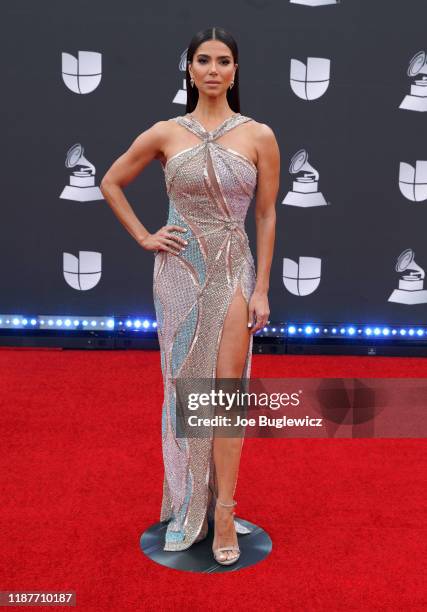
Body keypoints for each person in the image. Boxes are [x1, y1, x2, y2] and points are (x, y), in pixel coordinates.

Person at [100, 26, 279, 566]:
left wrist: (262, 288)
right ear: (190, 69)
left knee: (224, 395)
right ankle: (189, 503)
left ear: (235, 71)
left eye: (223, 61)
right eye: (203, 60)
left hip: (232, 269)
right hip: (177, 272)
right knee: (183, 390)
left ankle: (223, 508)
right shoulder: (164, 133)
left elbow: (267, 214)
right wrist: (144, 235)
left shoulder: (258, 136)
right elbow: (111, 181)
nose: (213, 70)